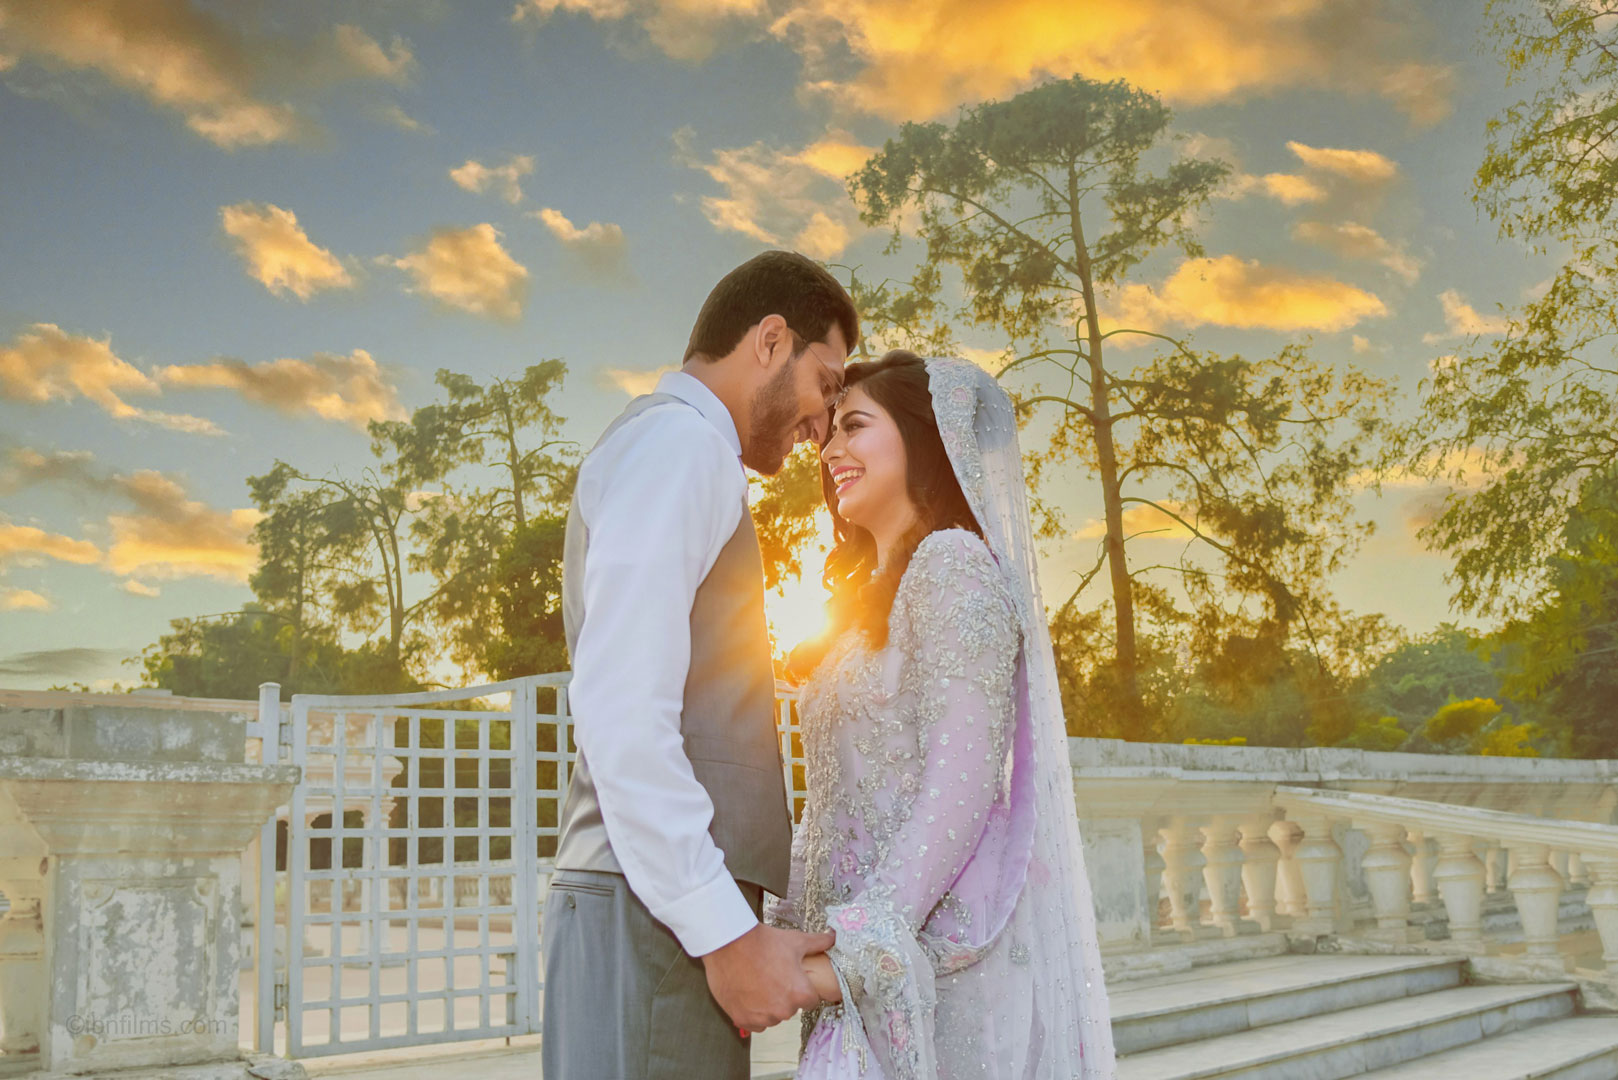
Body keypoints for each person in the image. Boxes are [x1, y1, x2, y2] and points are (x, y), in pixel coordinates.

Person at [541, 250, 858, 1080]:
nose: (823, 427)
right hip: (657, 921)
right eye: (826, 384)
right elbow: (623, 712)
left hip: (642, 909)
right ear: (769, 339)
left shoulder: (669, 445)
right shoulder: (682, 447)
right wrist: (722, 932)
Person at [771, 351, 1118, 1079]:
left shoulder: (954, 566)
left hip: (930, 968)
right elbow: (833, 800)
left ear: (923, 440)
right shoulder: (863, 605)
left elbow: (957, 790)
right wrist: (781, 924)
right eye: (829, 431)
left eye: (855, 425)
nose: (830, 450)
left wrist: (865, 946)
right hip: (851, 968)